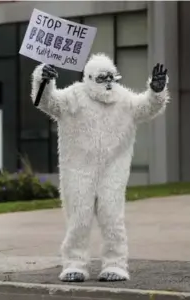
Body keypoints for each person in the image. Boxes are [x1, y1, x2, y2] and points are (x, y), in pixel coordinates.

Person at [30, 53, 169, 282]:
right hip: (77, 168)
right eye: (102, 78)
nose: (107, 83)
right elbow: (46, 102)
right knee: (79, 218)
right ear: (90, 78)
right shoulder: (74, 97)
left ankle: (116, 263)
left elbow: (146, 108)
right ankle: (74, 262)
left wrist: (156, 91)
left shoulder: (123, 99)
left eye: (111, 77)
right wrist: (43, 79)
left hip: (113, 168)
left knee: (112, 217)